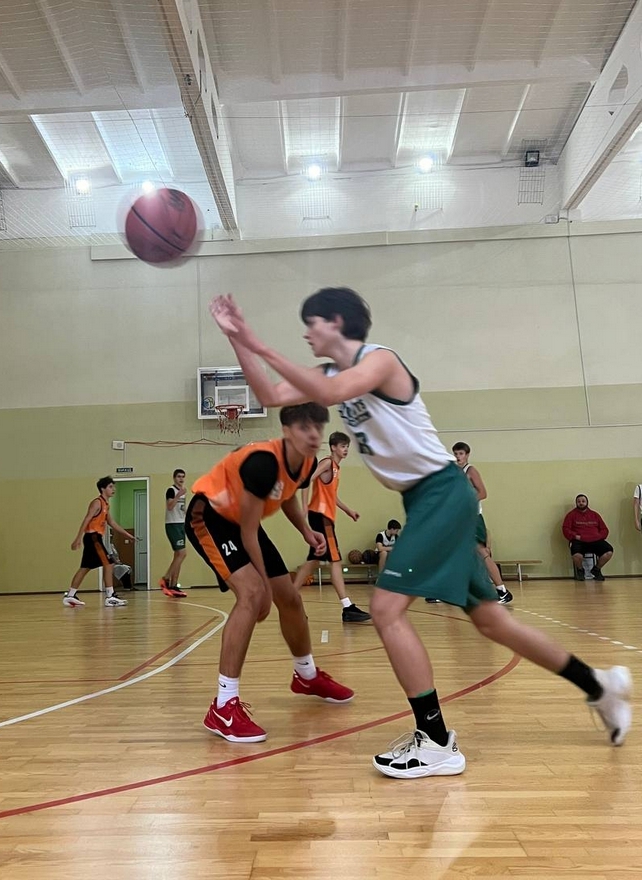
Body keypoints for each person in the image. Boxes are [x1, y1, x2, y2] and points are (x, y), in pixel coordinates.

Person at [209, 287, 632, 777]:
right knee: (494, 622)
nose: (306, 334)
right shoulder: (328, 375)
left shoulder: (380, 360)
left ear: (337, 322)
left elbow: (330, 393)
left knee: (386, 609)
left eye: (312, 323)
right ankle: (600, 686)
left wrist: (258, 341)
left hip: (441, 493)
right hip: (425, 501)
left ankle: (435, 741)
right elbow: (268, 395)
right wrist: (236, 337)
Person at [185, 402, 354, 743]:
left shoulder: (307, 462)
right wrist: (263, 585)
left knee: (289, 598)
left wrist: (306, 531)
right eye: (305, 428)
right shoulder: (262, 463)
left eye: (318, 428)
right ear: (287, 432)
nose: (313, 435)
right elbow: (249, 532)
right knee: (252, 595)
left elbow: (287, 494)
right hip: (211, 518)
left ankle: (306, 675)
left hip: (242, 520)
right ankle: (223, 706)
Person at [292, 431, 371, 624]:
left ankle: (290, 599)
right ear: (333, 447)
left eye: (347, 446)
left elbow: (331, 496)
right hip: (321, 517)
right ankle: (347, 607)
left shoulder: (336, 468)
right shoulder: (327, 463)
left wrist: (348, 510)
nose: (346, 450)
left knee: (314, 560)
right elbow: (306, 480)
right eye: (343, 446)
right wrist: (304, 506)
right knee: (335, 560)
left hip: (324, 516)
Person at [452, 442, 512, 604]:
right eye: (456, 454)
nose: (458, 457)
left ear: (467, 455)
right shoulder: (454, 472)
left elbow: (483, 493)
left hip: (472, 518)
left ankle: (502, 590)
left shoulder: (470, 471)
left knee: (481, 553)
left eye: (460, 454)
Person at [63, 477, 135, 607]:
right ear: (103, 489)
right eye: (110, 487)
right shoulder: (97, 503)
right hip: (93, 538)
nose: (113, 489)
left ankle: (70, 595)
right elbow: (86, 519)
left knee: (85, 567)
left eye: (113, 486)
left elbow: (112, 523)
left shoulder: (106, 505)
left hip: (95, 538)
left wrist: (127, 535)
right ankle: (110, 596)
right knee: (109, 563)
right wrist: (78, 538)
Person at [562, 494, 613, 581]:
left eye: (583, 501)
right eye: (579, 501)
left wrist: (599, 536)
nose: (581, 503)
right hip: (579, 541)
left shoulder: (595, 515)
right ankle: (580, 570)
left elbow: (604, 529)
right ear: (576, 503)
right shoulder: (571, 515)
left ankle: (596, 570)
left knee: (608, 551)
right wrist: (575, 536)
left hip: (595, 540)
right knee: (576, 555)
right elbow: (565, 529)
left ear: (587, 502)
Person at [161, 468, 188, 597]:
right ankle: (165, 578)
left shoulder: (183, 492)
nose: (181, 479)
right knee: (182, 553)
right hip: (173, 524)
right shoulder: (171, 490)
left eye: (183, 476)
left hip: (181, 524)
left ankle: (173, 585)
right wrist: (178, 495)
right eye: (179, 476)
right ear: (174, 478)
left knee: (178, 555)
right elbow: (170, 506)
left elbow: (182, 508)